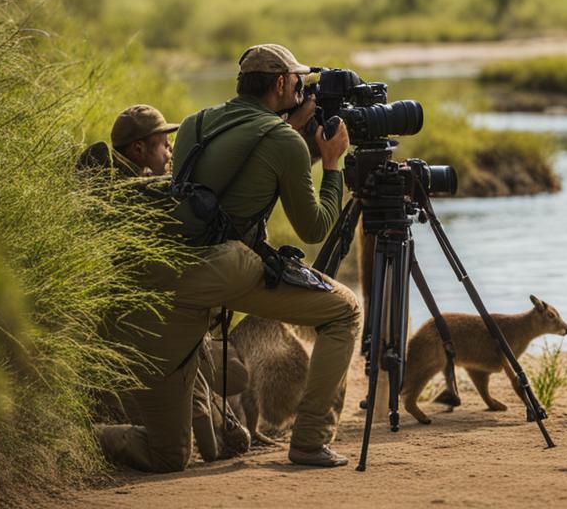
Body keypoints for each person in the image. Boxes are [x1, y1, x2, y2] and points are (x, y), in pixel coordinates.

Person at [96, 44, 361, 472]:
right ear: (280, 84)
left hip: (166, 276)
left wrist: (291, 130)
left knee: (167, 456)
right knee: (344, 310)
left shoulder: (196, 124)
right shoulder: (282, 142)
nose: (301, 88)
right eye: (297, 81)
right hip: (223, 271)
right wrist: (331, 165)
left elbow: (222, 183)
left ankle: (75, 438)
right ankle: (311, 441)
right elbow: (314, 227)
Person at [81, 104, 251, 463]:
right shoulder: (131, 199)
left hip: (159, 335)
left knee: (232, 374)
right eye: (164, 145)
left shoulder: (145, 191)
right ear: (139, 150)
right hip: (140, 340)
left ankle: (215, 429)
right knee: (172, 454)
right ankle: (83, 437)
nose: (171, 153)